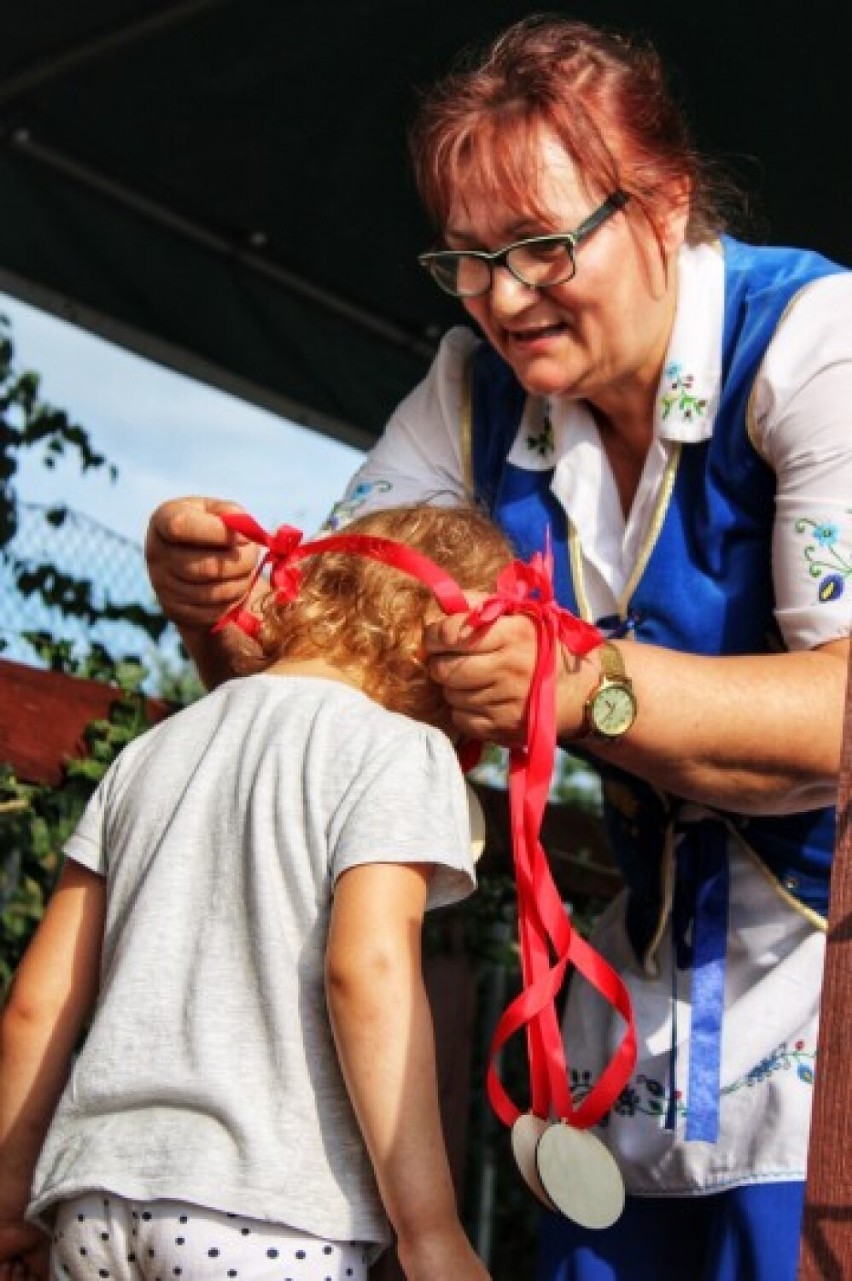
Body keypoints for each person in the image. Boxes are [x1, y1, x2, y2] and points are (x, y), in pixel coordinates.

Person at [143, 14, 851, 1281]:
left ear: (666, 202)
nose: (503, 297)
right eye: (465, 261)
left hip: (823, 1013)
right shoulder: (471, 390)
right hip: (621, 1036)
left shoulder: (812, 344)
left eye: (538, 247)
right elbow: (319, 679)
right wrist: (219, 603)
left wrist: (585, 688)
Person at [0, 503, 514, 1281]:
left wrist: (9, 1201)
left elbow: (39, 1001)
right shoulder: (400, 751)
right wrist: (431, 1230)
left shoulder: (150, 750)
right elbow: (366, 972)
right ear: (430, 641)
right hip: (264, 1213)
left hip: (90, 1196)